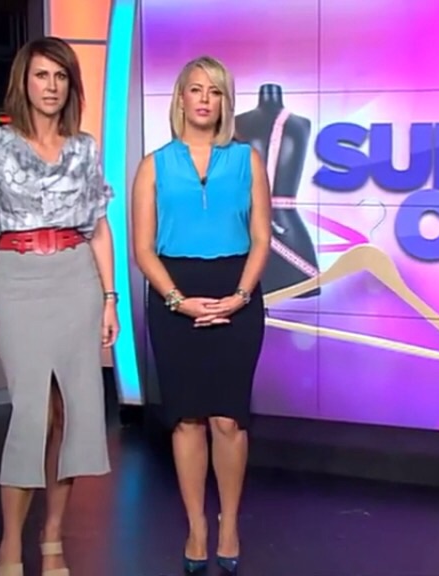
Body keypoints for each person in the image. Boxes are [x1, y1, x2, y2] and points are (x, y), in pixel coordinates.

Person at [0, 36, 118, 576]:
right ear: (23, 83)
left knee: (68, 414)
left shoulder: (84, 148)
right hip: (17, 280)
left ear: (71, 85)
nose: (51, 86)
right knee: (31, 414)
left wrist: (110, 299)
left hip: (76, 279)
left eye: (61, 77)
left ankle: (52, 538)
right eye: (42, 76)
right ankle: (10, 545)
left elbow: (99, 229)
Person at [132, 56, 271, 575]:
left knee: (228, 420)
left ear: (225, 102)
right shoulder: (154, 165)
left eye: (215, 91)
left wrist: (240, 295)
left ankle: (229, 523)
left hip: (237, 292)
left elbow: (262, 238)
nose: (205, 100)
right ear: (181, 99)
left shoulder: (248, 160)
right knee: (187, 418)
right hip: (174, 296)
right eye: (196, 89)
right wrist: (177, 300)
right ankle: (196, 527)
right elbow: (142, 249)